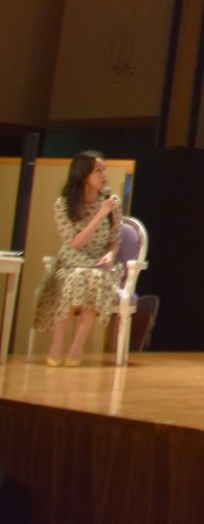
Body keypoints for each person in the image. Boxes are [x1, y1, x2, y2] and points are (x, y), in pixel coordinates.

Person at [32, 151, 122, 367]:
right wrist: (99, 215)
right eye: (98, 170)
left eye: (104, 169)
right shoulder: (63, 204)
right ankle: (57, 343)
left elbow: (115, 239)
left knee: (93, 279)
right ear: (83, 175)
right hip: (72, 259)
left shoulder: (111, 202)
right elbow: (75, 243)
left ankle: (76, 346)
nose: (104, 175)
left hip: (98, 262)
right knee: (74, 279)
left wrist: (110, 254)